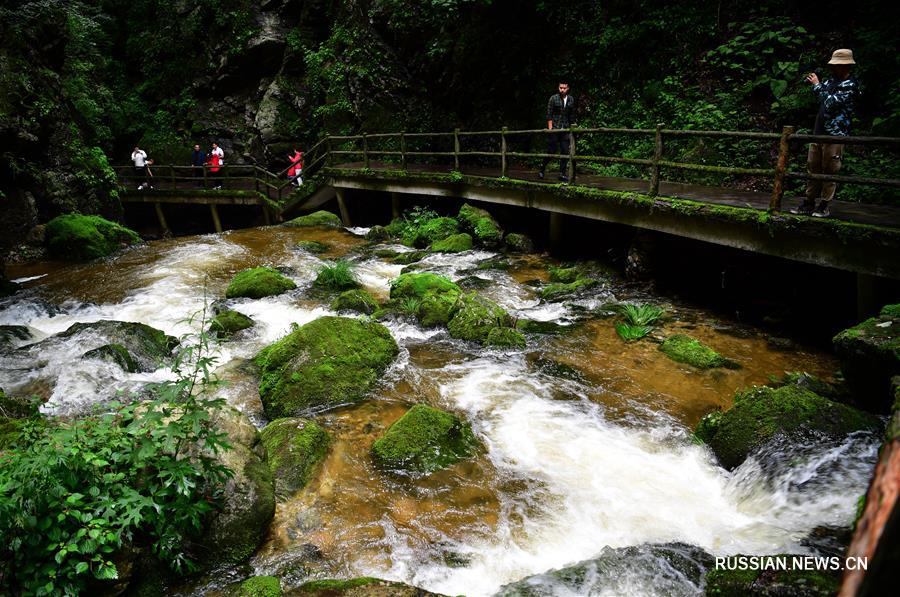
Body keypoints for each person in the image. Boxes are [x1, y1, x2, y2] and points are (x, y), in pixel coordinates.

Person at [791, 49, 860, 218]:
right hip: (818, 131)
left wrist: (817, 85)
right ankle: (808, 202)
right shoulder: (830, 82)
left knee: (830, 170)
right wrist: (820, 86)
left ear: (846, 66)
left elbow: (829, 102)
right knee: (812, 167)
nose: (834, 68)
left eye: (838, 65)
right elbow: (822, 97)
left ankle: (824, 205)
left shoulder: (850, 86)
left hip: (835, 134)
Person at [539, 80, 577, 182]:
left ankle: (562, 174)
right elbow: (549, 114)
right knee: (551, 150)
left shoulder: (570, 99)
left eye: (564, 88)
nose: (562, 90)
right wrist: (550, 128)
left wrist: (573, 127)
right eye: (560, 88)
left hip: (565, 129)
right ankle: (542, 169)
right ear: (558, 88)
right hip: (555, 128)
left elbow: (571, 115)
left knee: (565, 151)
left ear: (567, 88)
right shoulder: (553, 98)